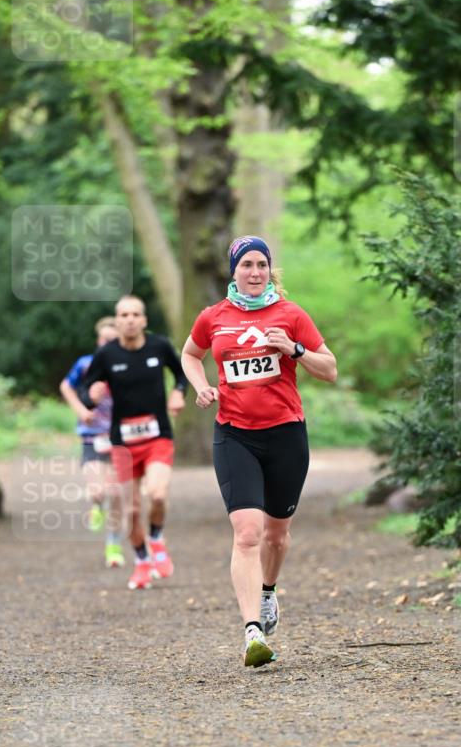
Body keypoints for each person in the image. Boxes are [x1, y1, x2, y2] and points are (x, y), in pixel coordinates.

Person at [181, 235, 337, 667]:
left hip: (286, 435)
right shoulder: (213, 317)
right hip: (235, 435)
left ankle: (268, 593)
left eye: (261, 265)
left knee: (276, 534)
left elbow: (331, 369)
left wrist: (295, 349)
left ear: (270, 270)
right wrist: (202, 386)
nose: (254, 272)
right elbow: (190, 354)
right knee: (247, 533)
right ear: (233, 270)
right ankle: (253, 633)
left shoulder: (291, 315)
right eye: (246, 265)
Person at [78, 295, 187, 590]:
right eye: (123, 315)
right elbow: (86, 390)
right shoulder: (107, 355)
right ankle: (141, 562)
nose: (129, 319)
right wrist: (92, 397)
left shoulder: (159, 346)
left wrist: (178, 393)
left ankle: (156, 539)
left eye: (134, 314)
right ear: (118, 320)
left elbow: (181, 374)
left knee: (158, 494)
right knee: (131, 510)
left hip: (157, 437)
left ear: (144, 320)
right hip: (123, 443)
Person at [60, 316, 124, 568]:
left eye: (114, 340)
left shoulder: (125, 364)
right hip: (91, 437)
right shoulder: (86, 364)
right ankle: (96, 505)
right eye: (105, 339)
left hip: (120, 437)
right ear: (99, 340)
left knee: (116, 493)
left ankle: (114, 547)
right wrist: (81, 411)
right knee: (98, 490)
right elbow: (66, 386)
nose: (109, 344)